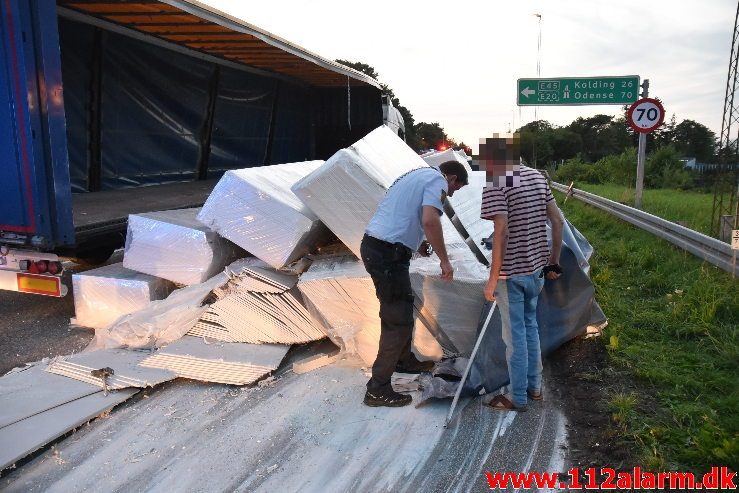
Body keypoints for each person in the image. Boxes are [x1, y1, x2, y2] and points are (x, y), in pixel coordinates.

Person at [360, 160, 468, 407]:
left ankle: (403, 360)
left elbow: (407, 211)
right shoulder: (438, 181)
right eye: (455, 189)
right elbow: (430, 220)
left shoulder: (417, 174)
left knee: (403, 308)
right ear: (451, 178)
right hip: (387, 254)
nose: (450, 194)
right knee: (396, 319)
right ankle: (377, 389)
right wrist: (444, 261)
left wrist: (418, 241)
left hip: (381, 247)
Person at [479, 136, 564, 412]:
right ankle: (535, 388)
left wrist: (492, 280)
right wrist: (553, 262)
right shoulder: (538, 178)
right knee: (530, 328)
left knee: (514, 338)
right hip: (537, 270)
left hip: (511, 276)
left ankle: (518, 398)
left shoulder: (498, 183)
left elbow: (500, 232)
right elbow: (557, 220)